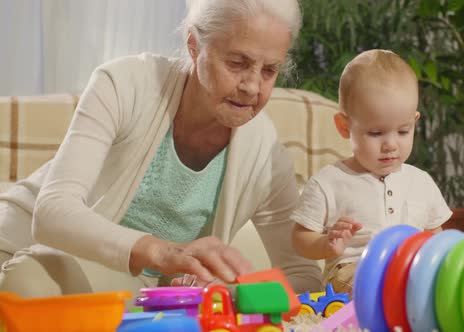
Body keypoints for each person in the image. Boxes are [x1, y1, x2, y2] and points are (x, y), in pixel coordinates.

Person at [0, 0, 321, 298]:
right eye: (237, 63)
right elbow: (53, 212)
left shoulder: (265, 156)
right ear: (194, 46)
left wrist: (235, 295)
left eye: (269, 71)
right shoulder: (125, 85)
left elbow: (303, 277)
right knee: (30, 281)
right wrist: (165, 253)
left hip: (123, 285)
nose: (252, 86)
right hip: (17, 247)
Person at [291, 49, 452, 296]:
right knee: (379, 285)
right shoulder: (329, 181)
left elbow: (434, 234)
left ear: (415, 121)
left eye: (403, 131)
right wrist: (327, 244)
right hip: (353, 271)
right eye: (376, 133)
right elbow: (300, 238)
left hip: (410, 269)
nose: (391, 144)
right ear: (344, 127)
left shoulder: (421, 182)